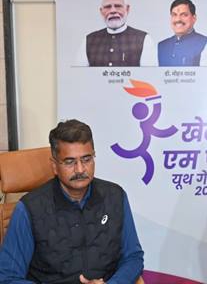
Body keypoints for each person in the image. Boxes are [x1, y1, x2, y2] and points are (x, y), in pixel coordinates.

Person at [0, 119, 144, 283]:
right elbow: (8, 277)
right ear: (54, 166)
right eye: (70, 162)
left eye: (86, 159)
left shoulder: (115, 196)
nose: (80, 169)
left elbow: (133, 257)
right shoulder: (28, 209)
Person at [76, 0, 155, 67]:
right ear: (101, 11)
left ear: (127, 9)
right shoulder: (89, 40)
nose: (113, 11)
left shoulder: (143, 39)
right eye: (107, 7)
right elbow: (79, 74)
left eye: (118, 6)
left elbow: (149, 74)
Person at [157, 0, 207, 66]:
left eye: (184, 15)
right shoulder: (161, 47)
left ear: (194, 18)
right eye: (174, 15)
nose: (178, 19)